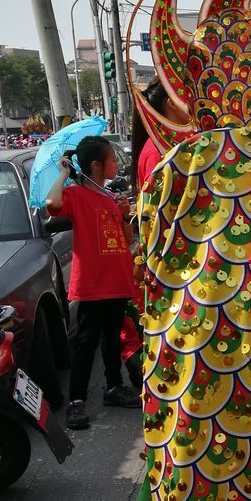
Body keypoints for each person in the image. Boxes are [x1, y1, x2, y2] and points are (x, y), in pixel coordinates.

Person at [46, 136, 139, 430]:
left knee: (112, 338)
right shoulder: (75, 195)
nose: (116, 164)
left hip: (116, 281)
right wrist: (63, 171)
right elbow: (52, 202)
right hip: (92, 284)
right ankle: (76, 400)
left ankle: (114, 386)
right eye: (112, 159)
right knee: (86, 342)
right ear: (96, 165)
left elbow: (125, 239)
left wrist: (125, 215)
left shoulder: (109, 197)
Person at [131, 78, 186, 190]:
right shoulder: (158, 151)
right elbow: (156, 205)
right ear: (172, 103)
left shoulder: (169, 143)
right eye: (189, 95)